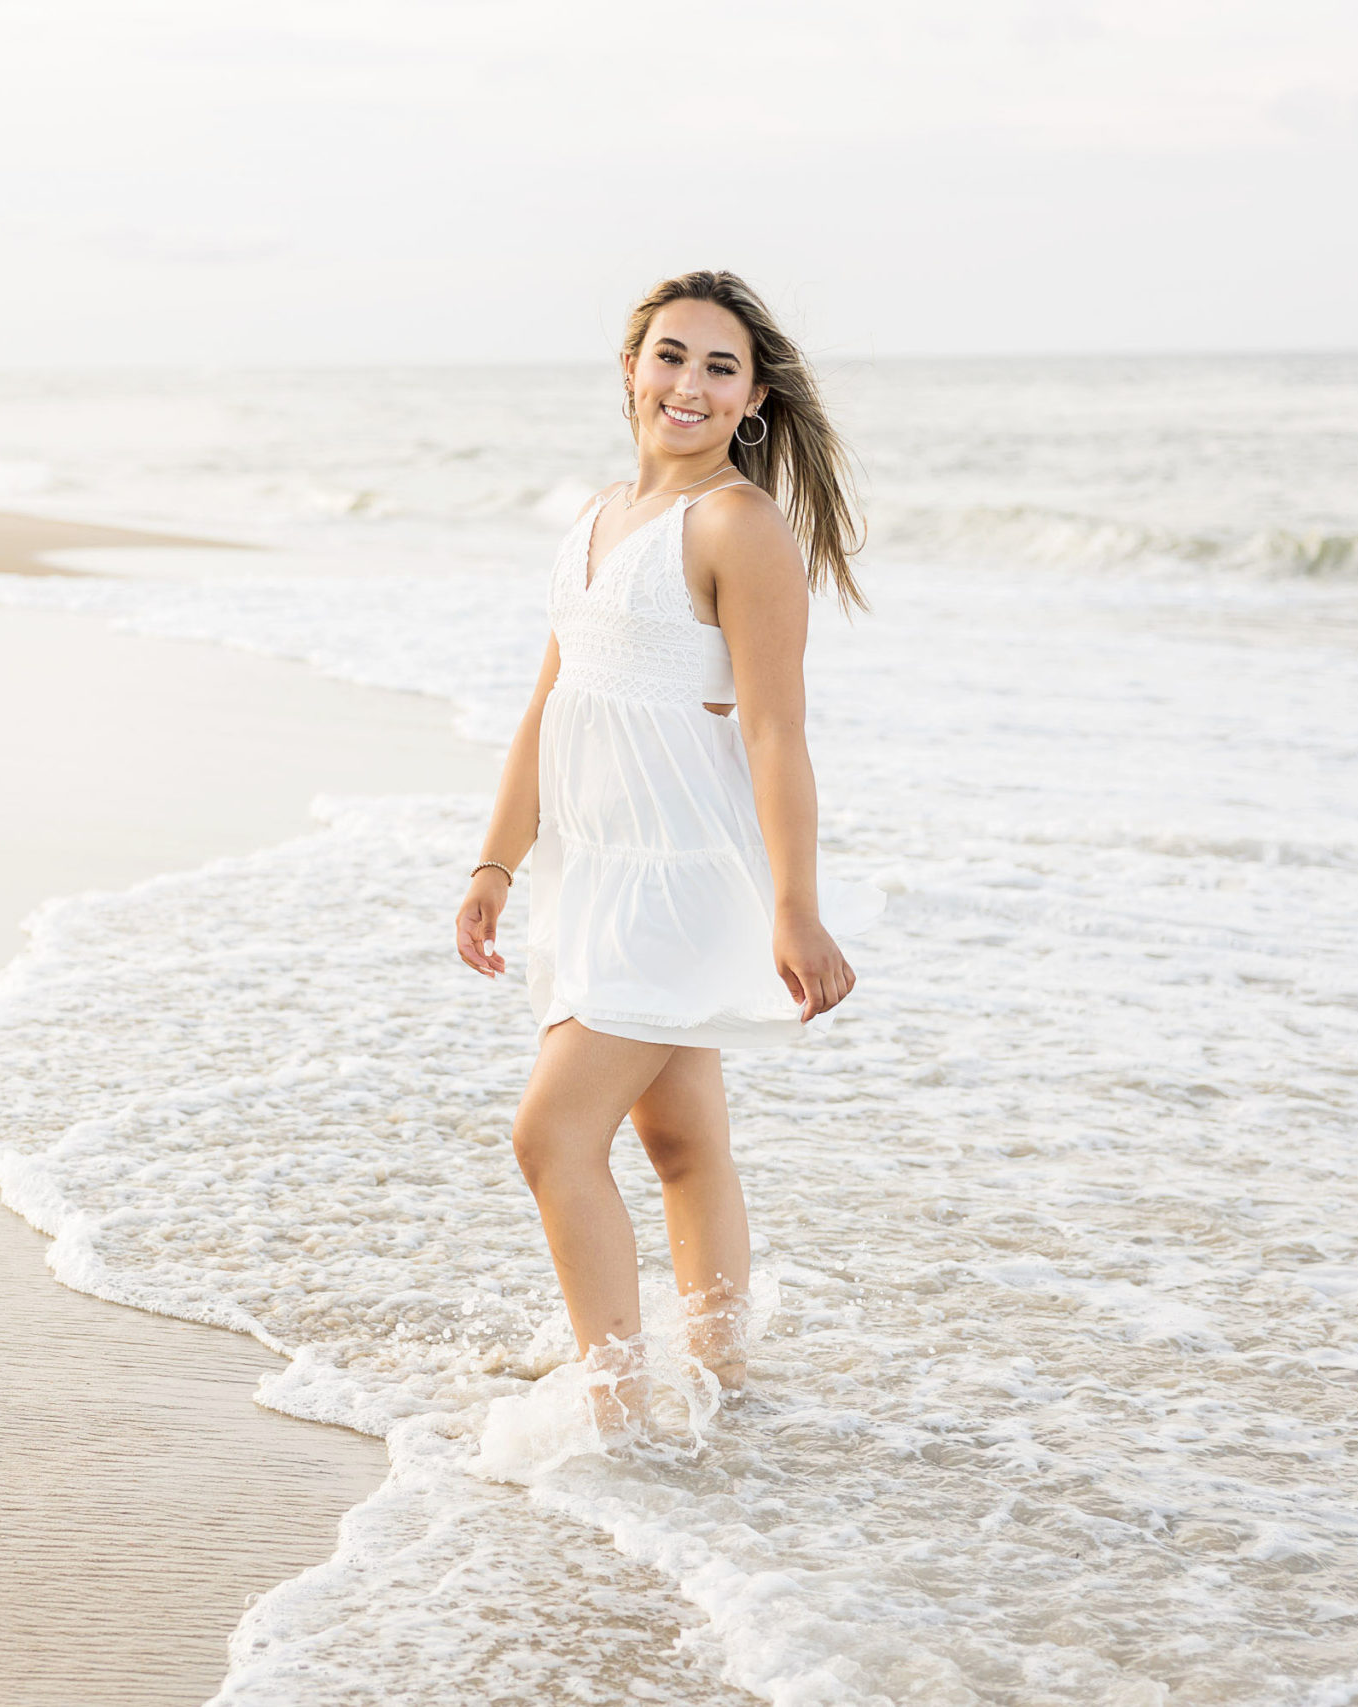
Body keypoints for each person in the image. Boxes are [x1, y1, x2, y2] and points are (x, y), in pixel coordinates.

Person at [454, 268, 870, 1423]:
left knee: (550, 1138)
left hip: (681, 877)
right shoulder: (596, 516)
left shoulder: (737, 527)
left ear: (751, 402)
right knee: (679, 1139)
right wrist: (496, 862)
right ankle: (724, 1386)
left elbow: (779, 736)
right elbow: (550, 700)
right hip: (590, 869)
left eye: (719, 367)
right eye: (671, 356)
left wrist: (795, 907)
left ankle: (618, 1416)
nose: (689, 383)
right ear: (632, 369)